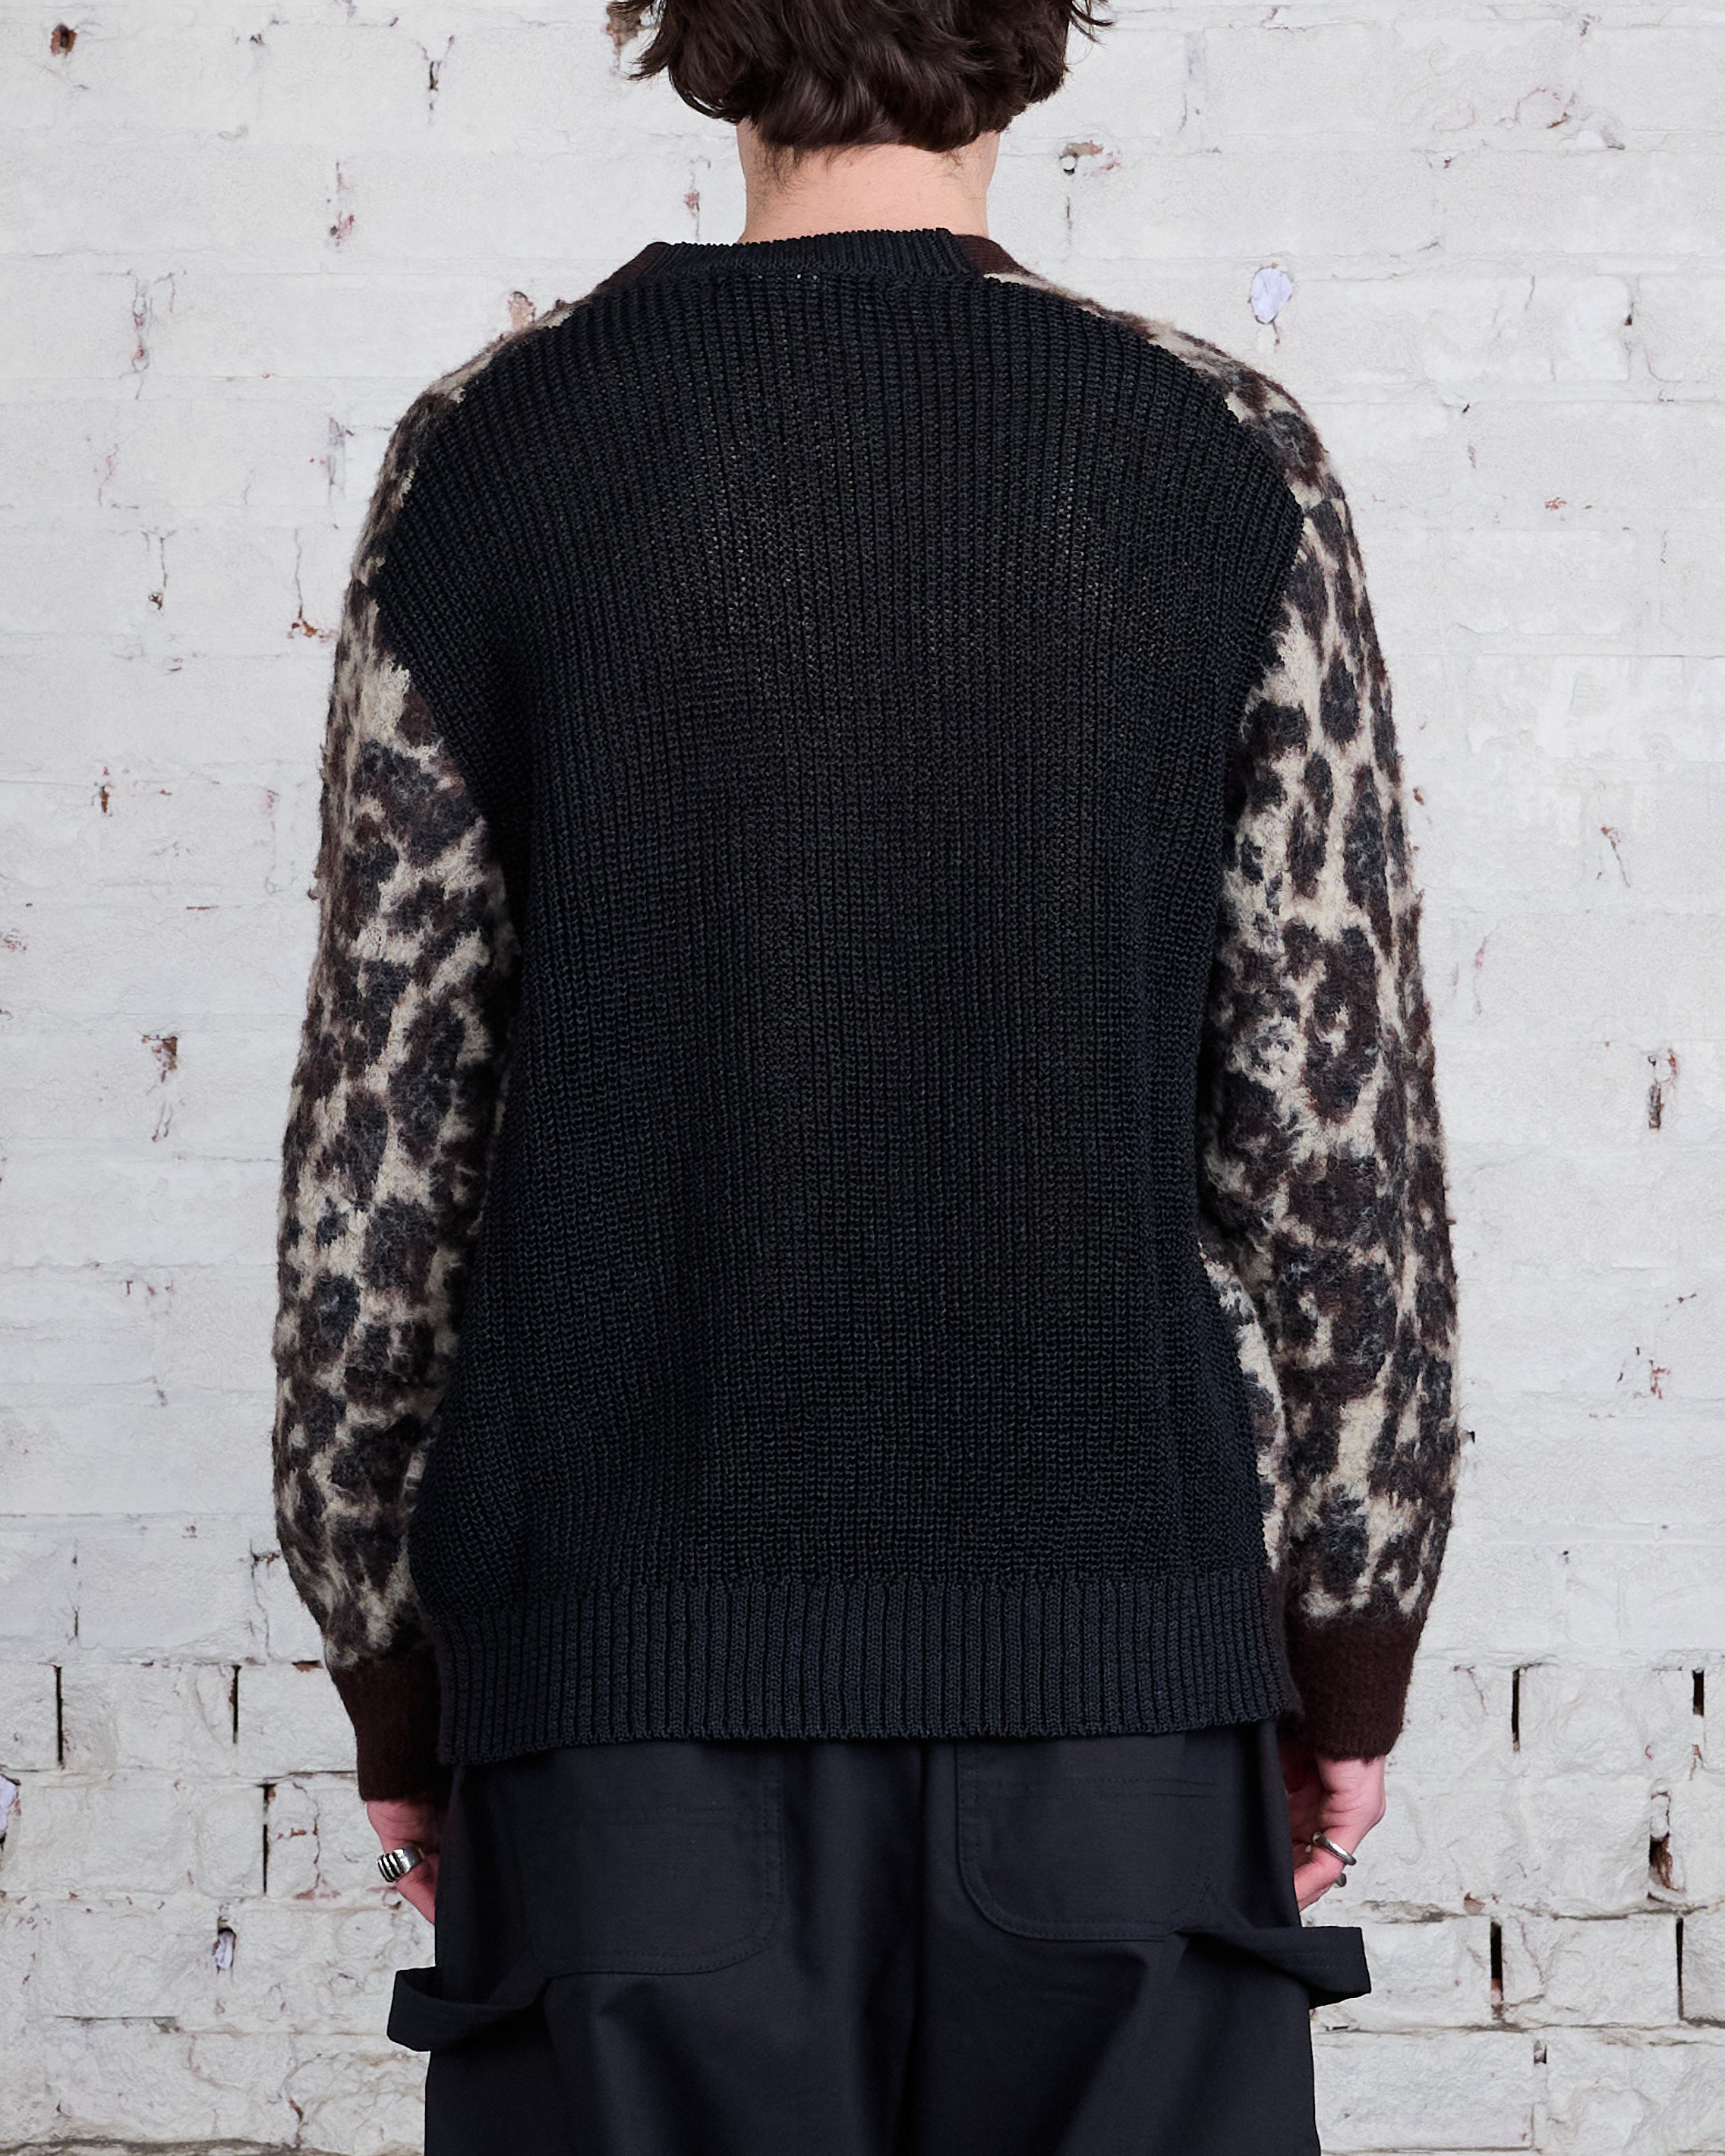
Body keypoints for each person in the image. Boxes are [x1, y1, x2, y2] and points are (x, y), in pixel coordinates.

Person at [270, 1, 1460, 2148]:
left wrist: (394, 1663)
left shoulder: (499, 450)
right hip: (1114, 1708)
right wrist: (1349, 1637)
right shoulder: (1218, 452)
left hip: (622, 1717)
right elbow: (1334, 1121)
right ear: (1037, 36)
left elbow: (386, 1132)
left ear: (697, 34)